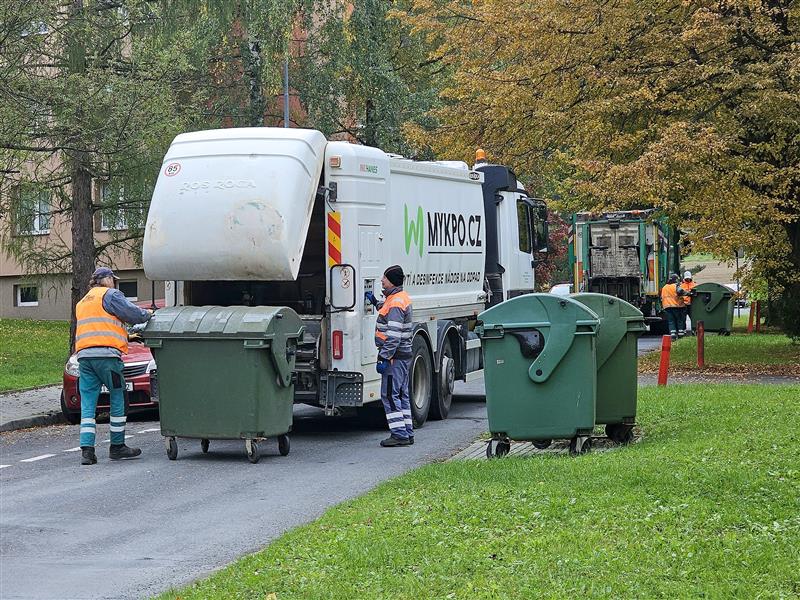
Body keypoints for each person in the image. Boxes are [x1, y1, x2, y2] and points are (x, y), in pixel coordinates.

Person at [75, 267, 153, 465]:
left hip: (84, 358)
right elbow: (132, 313)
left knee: (88, 404)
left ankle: (87, 452)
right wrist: (148, 314)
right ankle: (117, 446)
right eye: (113, 279)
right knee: (118, 395)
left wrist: (125, 336)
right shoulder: (110, 295)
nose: (115, 283)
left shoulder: (83, 301)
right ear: (107, 279)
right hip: (107, 358)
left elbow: (97, 328)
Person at [365, 265, 414, 447]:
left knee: (389, 394)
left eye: (384, 278)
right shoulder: (397, 298)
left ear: (391, 280)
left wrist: (384, 357)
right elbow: (387, 311)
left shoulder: (395, 303)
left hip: (395, 357)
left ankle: (399, 434)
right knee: (402, 393)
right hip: (402, 356)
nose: (381, 281)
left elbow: (393, 336)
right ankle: (407, 432)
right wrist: (375, 302)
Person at [660, 273, 687, 340]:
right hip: (676, 306)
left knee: (671, 321)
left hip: (667, 307)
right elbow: (680, 292)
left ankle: (673, 335)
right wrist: (689, 293)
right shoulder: (675, 286)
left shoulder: (664, 287)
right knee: (679, 320)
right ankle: (681, 335)